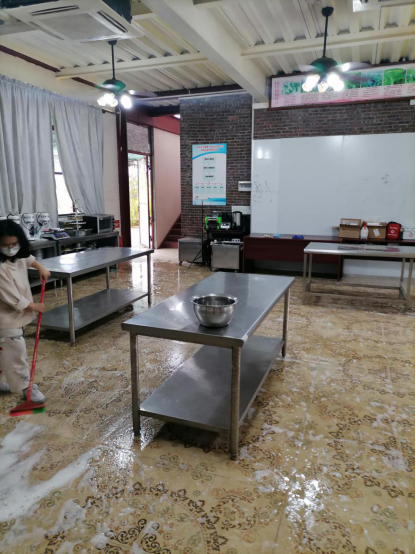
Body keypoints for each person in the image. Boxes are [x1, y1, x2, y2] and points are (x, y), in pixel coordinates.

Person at [0, 219, 51, 403]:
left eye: (14, 244)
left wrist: (40, 267)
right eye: (6, 245)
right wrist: (34, 306)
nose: (11, 248)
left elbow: (28, 258)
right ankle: (26, 388)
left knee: (4, 349)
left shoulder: (18, 254)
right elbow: (12, 297)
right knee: (16, 351)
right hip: (5, 318)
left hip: (14, 316)